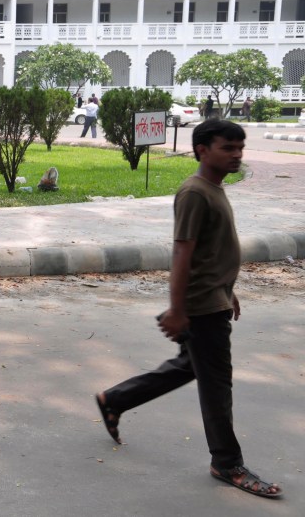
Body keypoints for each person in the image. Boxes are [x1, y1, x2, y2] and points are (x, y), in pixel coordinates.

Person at [95, 120, 282, 500]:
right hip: (202, 308)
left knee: (190, 366)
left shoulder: (213, 188)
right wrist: (177, 310)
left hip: (214, 299)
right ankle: (226, 462)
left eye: (240, 147)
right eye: (228, 147)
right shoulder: (195, 192)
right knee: (217, 386)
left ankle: (116, 399)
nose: (237, 154)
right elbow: (183, 251)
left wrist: (227, 290)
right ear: (202, 149)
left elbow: (213, 251)